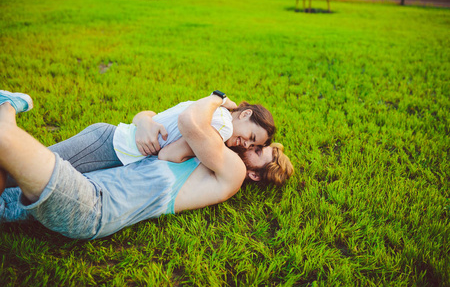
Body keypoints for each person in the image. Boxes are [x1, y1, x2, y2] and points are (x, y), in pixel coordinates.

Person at [0, 91, 293, 239]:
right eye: (254, 141)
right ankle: (7, 110)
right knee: (7, 183)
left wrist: (216, 98)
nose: (249, 146)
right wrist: (144, 122)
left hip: (92, 206)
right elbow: (168, 123)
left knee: (7, 146)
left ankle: (8, 111)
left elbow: (189, 123)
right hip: (91, 179)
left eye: (257, 149)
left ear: (254, 174)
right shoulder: (211, 147)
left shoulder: (233, 169)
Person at [114, 92, 276, 164]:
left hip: (116, 139)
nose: (247, 145)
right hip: (118, 150)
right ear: (246, 114)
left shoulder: (211, 109)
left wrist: (143, 121)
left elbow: (152, 115)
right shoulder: (224, 127)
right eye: (252, 138)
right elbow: (167, 156)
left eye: (253, 146)